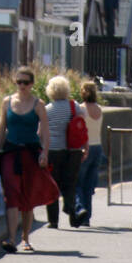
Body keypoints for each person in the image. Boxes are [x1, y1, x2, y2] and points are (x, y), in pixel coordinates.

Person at [0, 66, 59, 252]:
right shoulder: (7, 102)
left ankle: (26, 238)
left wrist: (45, 152)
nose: (22, 86)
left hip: (31, 154)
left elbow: (45, 131)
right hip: (10, 154)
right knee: (11, 195)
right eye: (19, 82)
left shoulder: (39, 104)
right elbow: (1, 129)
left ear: (32, 84)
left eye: (26, 82)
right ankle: (11, 239)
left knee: (27, 198)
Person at [44, 74, 87, 229]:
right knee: (70, 183)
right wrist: (85, 147)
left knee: (52, 185)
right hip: (73, 150)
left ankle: (53, 220)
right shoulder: (74, 106)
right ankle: (74, 213)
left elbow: (41, 132)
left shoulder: (47, 110)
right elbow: (82, 127)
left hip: (54, 151)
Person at [74, 81, 104, 226]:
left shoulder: (80, 109)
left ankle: (80, 208)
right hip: (98, 146)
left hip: (84, 147)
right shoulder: (99, 109)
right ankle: (87, 217)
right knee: (89, 184)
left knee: (78, 181)